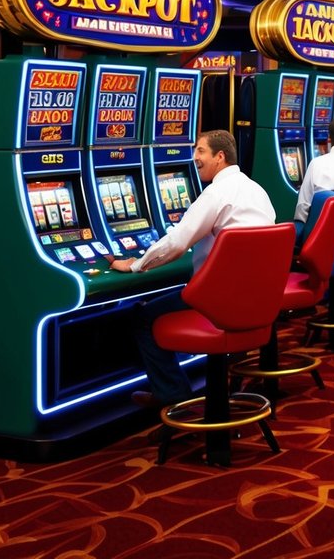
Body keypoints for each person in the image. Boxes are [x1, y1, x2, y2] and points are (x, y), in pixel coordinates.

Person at [108, 130, 275, 409]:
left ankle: (173, 396)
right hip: (256, 303)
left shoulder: (217, 193)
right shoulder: (257, 190)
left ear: (220, 157)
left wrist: (135, 264)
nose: (194, 157)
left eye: (200, 151)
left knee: (143, 316)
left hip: (218, 305)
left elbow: (176, 242)